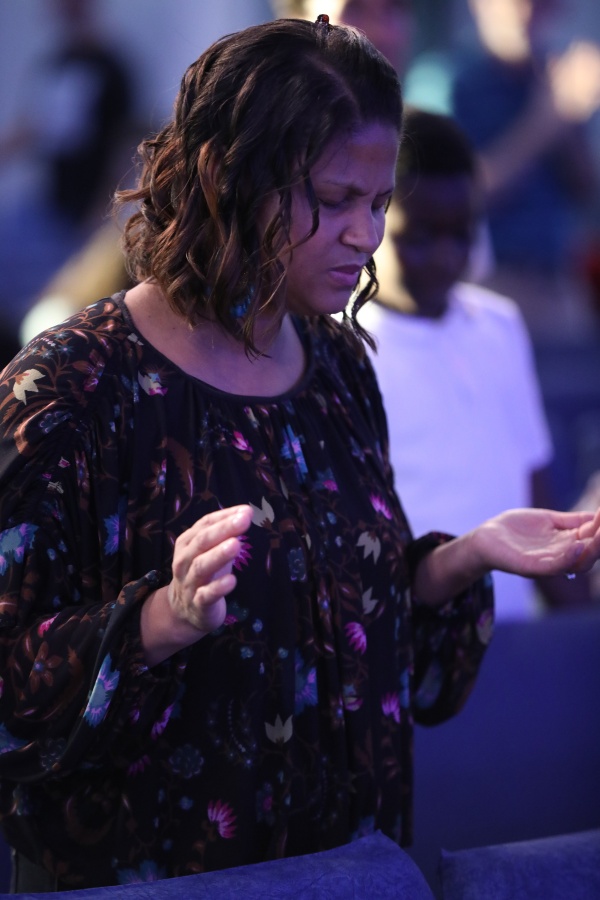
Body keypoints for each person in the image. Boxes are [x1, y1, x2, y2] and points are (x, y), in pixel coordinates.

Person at [0, 17, 599, 892]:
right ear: (229, 179)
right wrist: (162, 618)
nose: (366, 235)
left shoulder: (337, 365)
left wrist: (464, 557)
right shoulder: (71, 385)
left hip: (347, 868)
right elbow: (14, 680)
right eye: (334, 198)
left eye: (379, 202)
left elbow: (361, 630)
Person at [359, 106, 593, 618]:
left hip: (515, 640)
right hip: (412, 644)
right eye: (419, 236)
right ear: (373, 219)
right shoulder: (343, 345)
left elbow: (534, 495)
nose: (444, 256)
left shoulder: (499, 326)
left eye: (460, 233)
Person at [450, 0, 600, 342]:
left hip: (557, 286)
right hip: (487, 289)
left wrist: (571, 112)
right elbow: (462, 194)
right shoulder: (452, 80)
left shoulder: (551, 76)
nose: (530, 13)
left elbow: (584, 190)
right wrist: (546, 121)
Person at [0, 0, 133, 353]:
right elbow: (33, 125)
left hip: (85, 210)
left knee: (64, 304)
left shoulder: (112, 67)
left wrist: (102, 212)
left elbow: (121, 146)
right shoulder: (54, 62)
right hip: (50, 199)